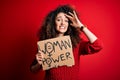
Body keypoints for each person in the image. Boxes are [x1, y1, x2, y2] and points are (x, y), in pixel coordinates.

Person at [30, 4, 103, 80]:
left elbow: (98, 45)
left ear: (69, 24)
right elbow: (33, 70)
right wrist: (39, 63)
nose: (62, 23)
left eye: (66, 21)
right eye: (59, 20)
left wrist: (81, 26)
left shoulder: (76, 43)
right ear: (52, 23)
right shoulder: (46, 44)